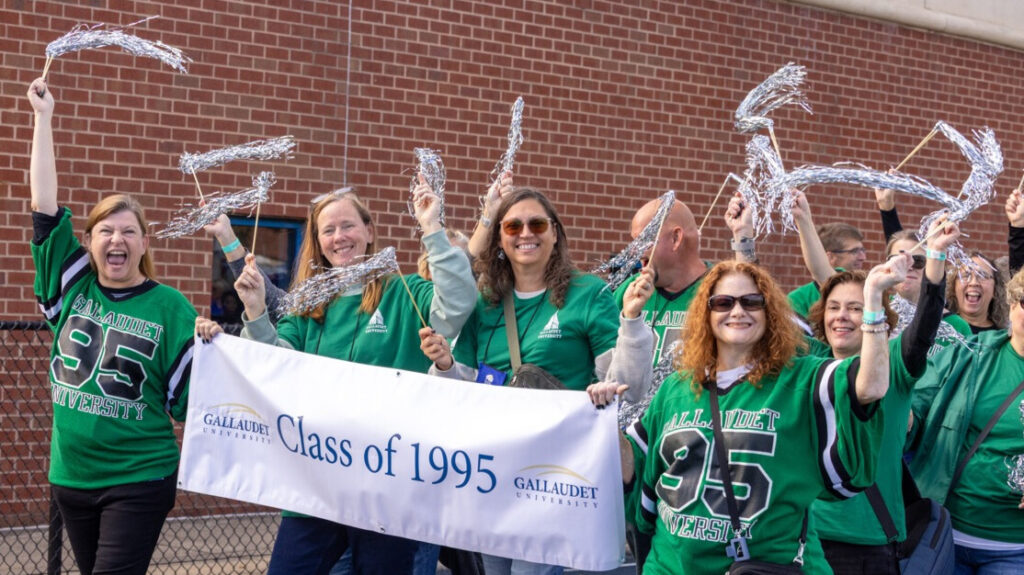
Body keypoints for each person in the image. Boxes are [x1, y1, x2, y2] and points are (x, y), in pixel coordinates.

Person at [196, 184, 476, 575]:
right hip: (317, 484)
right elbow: (275, 365)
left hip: (388, 485)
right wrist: (257, 312)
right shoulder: (306, 305)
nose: (339, 237)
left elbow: (458, 304)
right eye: (328, 231)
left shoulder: (405, 292)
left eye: (348, 226)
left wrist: (432, 227)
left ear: (369, 231)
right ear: (318, 241)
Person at [589, 256, 909, 575]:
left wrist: (873, 302)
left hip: (764, 567)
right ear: (706, 312)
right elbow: (637, 470)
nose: (738, 311)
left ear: (769, 312)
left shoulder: (800, 378)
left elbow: (871, 386)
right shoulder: (677, 387)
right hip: (670, 566)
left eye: (751, 302)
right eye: (724, 302)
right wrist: (607, 420)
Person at [420, 186, 654, 575]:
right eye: (512, 225)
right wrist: (445, 363)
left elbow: (627, 383)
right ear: (500, 238)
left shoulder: (588, 293)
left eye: (537, 224)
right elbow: (465, 386)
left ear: (555, 233)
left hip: (553, 474)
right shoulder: (485, 300)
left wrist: (631, 321)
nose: (525, 233)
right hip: (495, 472)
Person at [27, 77, 199, 575]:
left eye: (129, 232)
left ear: (145, 244)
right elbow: (43, 205)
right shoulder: (73, 286)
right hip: (72, 477)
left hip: (139, 477)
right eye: (106, 230)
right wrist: (43, 119)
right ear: (89, 240)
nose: (116, 240)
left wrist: (210, 343)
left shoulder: (170, 307)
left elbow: (195, 401)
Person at [794, 199, 959, 574]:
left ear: (878, 315)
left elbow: (926, 324)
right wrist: (800, 219)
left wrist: (933, 256)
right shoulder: (809, 368)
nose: (842, 316)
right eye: (834, 307)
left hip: (871, 545)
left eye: (855, 308)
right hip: (806, 540)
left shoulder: (895, 366)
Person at [908, 268, 1024, 574]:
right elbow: (916, 404)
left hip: (1014, 548)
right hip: (945, 536)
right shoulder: (972, 354)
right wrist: (900, 414)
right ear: (1012, 304)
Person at [787, 221, 867, 320]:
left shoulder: (868, 291)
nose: (863, 257)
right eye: (855, 251)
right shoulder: (798, 300)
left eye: (862, 250)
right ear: (830, 257)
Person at [947, 251, 1008, 334]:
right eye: (966, 275)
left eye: (982, 276)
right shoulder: (939, 327)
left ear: (995, 289)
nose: (973, 283)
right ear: (954, 287)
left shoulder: (1001, 339)